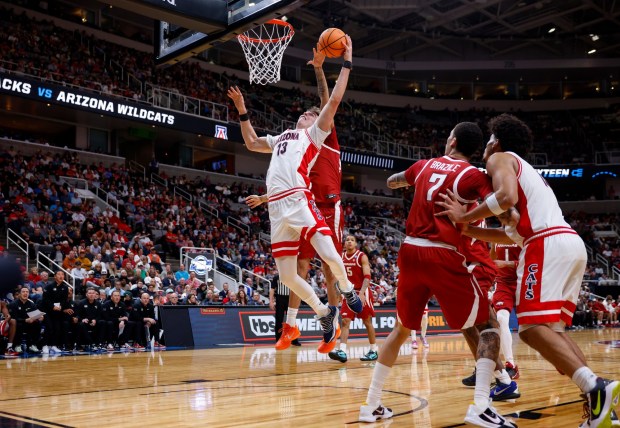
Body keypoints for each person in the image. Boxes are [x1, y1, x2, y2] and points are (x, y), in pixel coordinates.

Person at [437, 113, 619, 428]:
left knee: (533, 330)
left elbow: (504, 197)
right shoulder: (526, 172)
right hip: (568, 243)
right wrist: (467, 230)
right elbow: (510, 235)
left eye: (489, 138)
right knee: (556, 333)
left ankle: (597, 387)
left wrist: (465, 219)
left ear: (495, 140)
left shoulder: (500, 158)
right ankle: (599, 406)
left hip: (546, 244)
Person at [359, 122, 514, 428]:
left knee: (401, 330)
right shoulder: (472, 175)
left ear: (451, 140)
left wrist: (410, 181)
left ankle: (371, 405)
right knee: (489, 324)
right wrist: (471, 214)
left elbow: (393, 181)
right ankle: (482, 404)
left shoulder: (424, 165)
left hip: (409, 250)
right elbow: (504, 209)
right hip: (442, 252)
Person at [228, 36, 361, 354]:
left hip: (302, 199)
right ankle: (323, 314)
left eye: (311, 114)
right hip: (276, 209)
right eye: (303, 113)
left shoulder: (316, 136)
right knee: (287, 276)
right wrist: (243, 111)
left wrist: (346, 62)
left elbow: (333, 99)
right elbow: (250, 143)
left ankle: (347, 289)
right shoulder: (281, 136)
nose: (305, 114)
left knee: (330, 257)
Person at [329, 235, 378, 363]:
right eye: (347, 240)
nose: (349, 242)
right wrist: (338, 291)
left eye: (352, 240)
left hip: (362, 291)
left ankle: (373, 350)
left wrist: (362, 293)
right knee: (345, 321)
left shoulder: (361, 256)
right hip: (348, 291)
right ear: (344, 244)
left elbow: (367, 276)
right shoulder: (341, 257)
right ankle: (342, 351)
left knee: (367, 322)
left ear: (355, 244)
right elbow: (337, 276)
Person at [7, 286, 43, 354]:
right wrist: (25, 320)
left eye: (27, 292)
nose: (25, 293)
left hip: (28, 323)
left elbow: (36, 313)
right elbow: (13, 317)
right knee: (18, 324)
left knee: (37, 324)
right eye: (23, 292)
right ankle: (17, 345)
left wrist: (40, 317)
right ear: (20, 294)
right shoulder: (13, 304)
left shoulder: (31, 304)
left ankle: (32, 345)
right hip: (17, 323)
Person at [269, 274, 301, 346]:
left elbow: (297, 289)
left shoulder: (293, 276)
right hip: (280, 299)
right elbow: (272, 289)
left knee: (292, 320)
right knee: (279, 320)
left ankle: (294, 340)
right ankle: (278, 340)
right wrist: (271, 301)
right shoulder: (276, 277)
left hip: (290, 299)